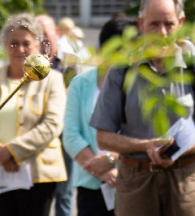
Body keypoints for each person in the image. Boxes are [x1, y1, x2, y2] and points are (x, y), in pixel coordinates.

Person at [90, 0, 195, 215]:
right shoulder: (122, 70)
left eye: (169, 24)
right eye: (154, 24)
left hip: (185, 180)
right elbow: (103, 137)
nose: (162, 33)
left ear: (180, 23)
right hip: (136, 181)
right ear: (141, 24)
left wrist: (176, 149)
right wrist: (146, 146)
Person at [0, 13, 67, 216]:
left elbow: (53, 124)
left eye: (26, 43)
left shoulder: (53, 80)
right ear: (5, 44)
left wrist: (13, 151)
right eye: (14, 43)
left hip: (39, 173)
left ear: (37, 45)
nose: (20, 49)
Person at [63, 14, 138, 216]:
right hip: (90, 182)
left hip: (132, 180)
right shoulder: (80, 84)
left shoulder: (139, 85)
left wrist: (111, 160)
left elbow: (143, 134)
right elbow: (70, 134)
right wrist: (100, 169)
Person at [36, 14, 74, 216]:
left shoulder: (69, 64)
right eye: (37, 33)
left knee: (64, 194)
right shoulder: (29, 66)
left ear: (56, 33)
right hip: (36, 136)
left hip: (64, 135)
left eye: (45, 32)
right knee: (38, 195)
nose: (42, 38)